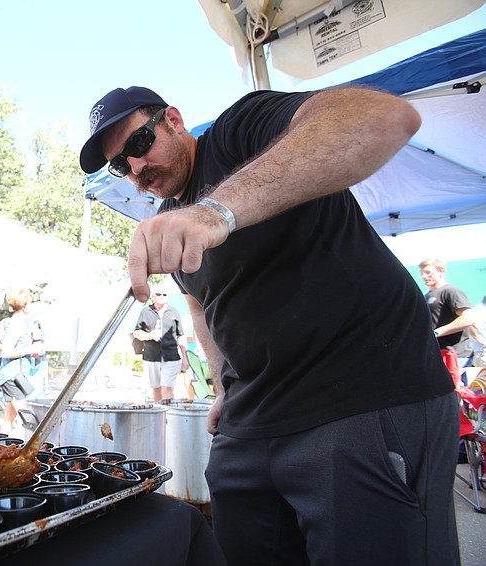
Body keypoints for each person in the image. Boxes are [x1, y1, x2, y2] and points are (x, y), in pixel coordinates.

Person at [79, 86, 459, 564]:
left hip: (358, 399)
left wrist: (216, 211)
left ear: (173, 120)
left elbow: (384, 116)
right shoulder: (172, 219)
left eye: (138, 143)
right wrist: (222, 386)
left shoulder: (240, 133)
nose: (135, 168)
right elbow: (199, 304)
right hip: (249, 425)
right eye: (120, 165)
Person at [0, 288, 42, 436]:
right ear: (24, 305)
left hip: (13, 374)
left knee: (9, 416)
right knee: (26, 416)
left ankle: (3, 445)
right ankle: (25, 444)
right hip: (13, 376)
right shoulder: (17, 323)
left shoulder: (15, 322)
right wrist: (31, 349)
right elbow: (6, 352)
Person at [419, 258, 478, 376]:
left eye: (428, 272)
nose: (424, 276)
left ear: (441, 272)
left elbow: (468, 318)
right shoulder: (426, 296)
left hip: (456, 356)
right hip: (437, 354)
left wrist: (437, 332)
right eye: (422, 273)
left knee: (458, 387)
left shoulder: (451, 291)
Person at [132, 285, 188, 402]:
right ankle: (159, 412)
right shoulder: (146, 311)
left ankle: (168, 412)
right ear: (153, 296)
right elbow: (136, 333)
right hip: (151, 356)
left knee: (168, 388)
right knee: (156, 388)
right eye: (158, 294)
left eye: (164, 294)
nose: (161, 297)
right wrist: (149, 335)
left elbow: (181, 336)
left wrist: (185, 358)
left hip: (171, 356)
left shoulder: (174, 312)